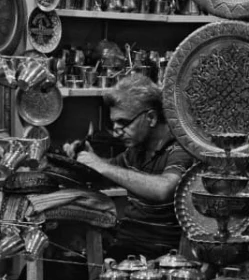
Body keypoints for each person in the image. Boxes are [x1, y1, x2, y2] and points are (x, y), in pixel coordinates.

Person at [64, 75, 194, 261]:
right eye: (113, 123)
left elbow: (163, 189)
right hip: (127, 246)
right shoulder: (137, 150)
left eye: (123, 122)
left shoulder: (179, 150)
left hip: (163, 257)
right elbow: (110, 172)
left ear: (151, 117)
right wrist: (84, 160)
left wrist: (100, 165)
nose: (116, 131)